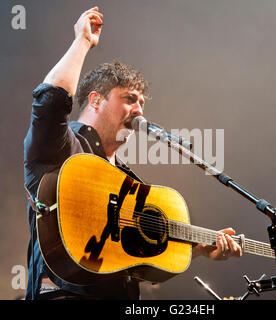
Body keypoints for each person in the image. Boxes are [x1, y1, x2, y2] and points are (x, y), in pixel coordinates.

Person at [24, 7, 242, 300]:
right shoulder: (63, 148)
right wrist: (82, 42)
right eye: (129, 99)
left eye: (142, 103)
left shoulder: (127, 181)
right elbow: (50, 103)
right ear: (96, 100)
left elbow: (135, 256)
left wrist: (200, 248)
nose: (139, 110)